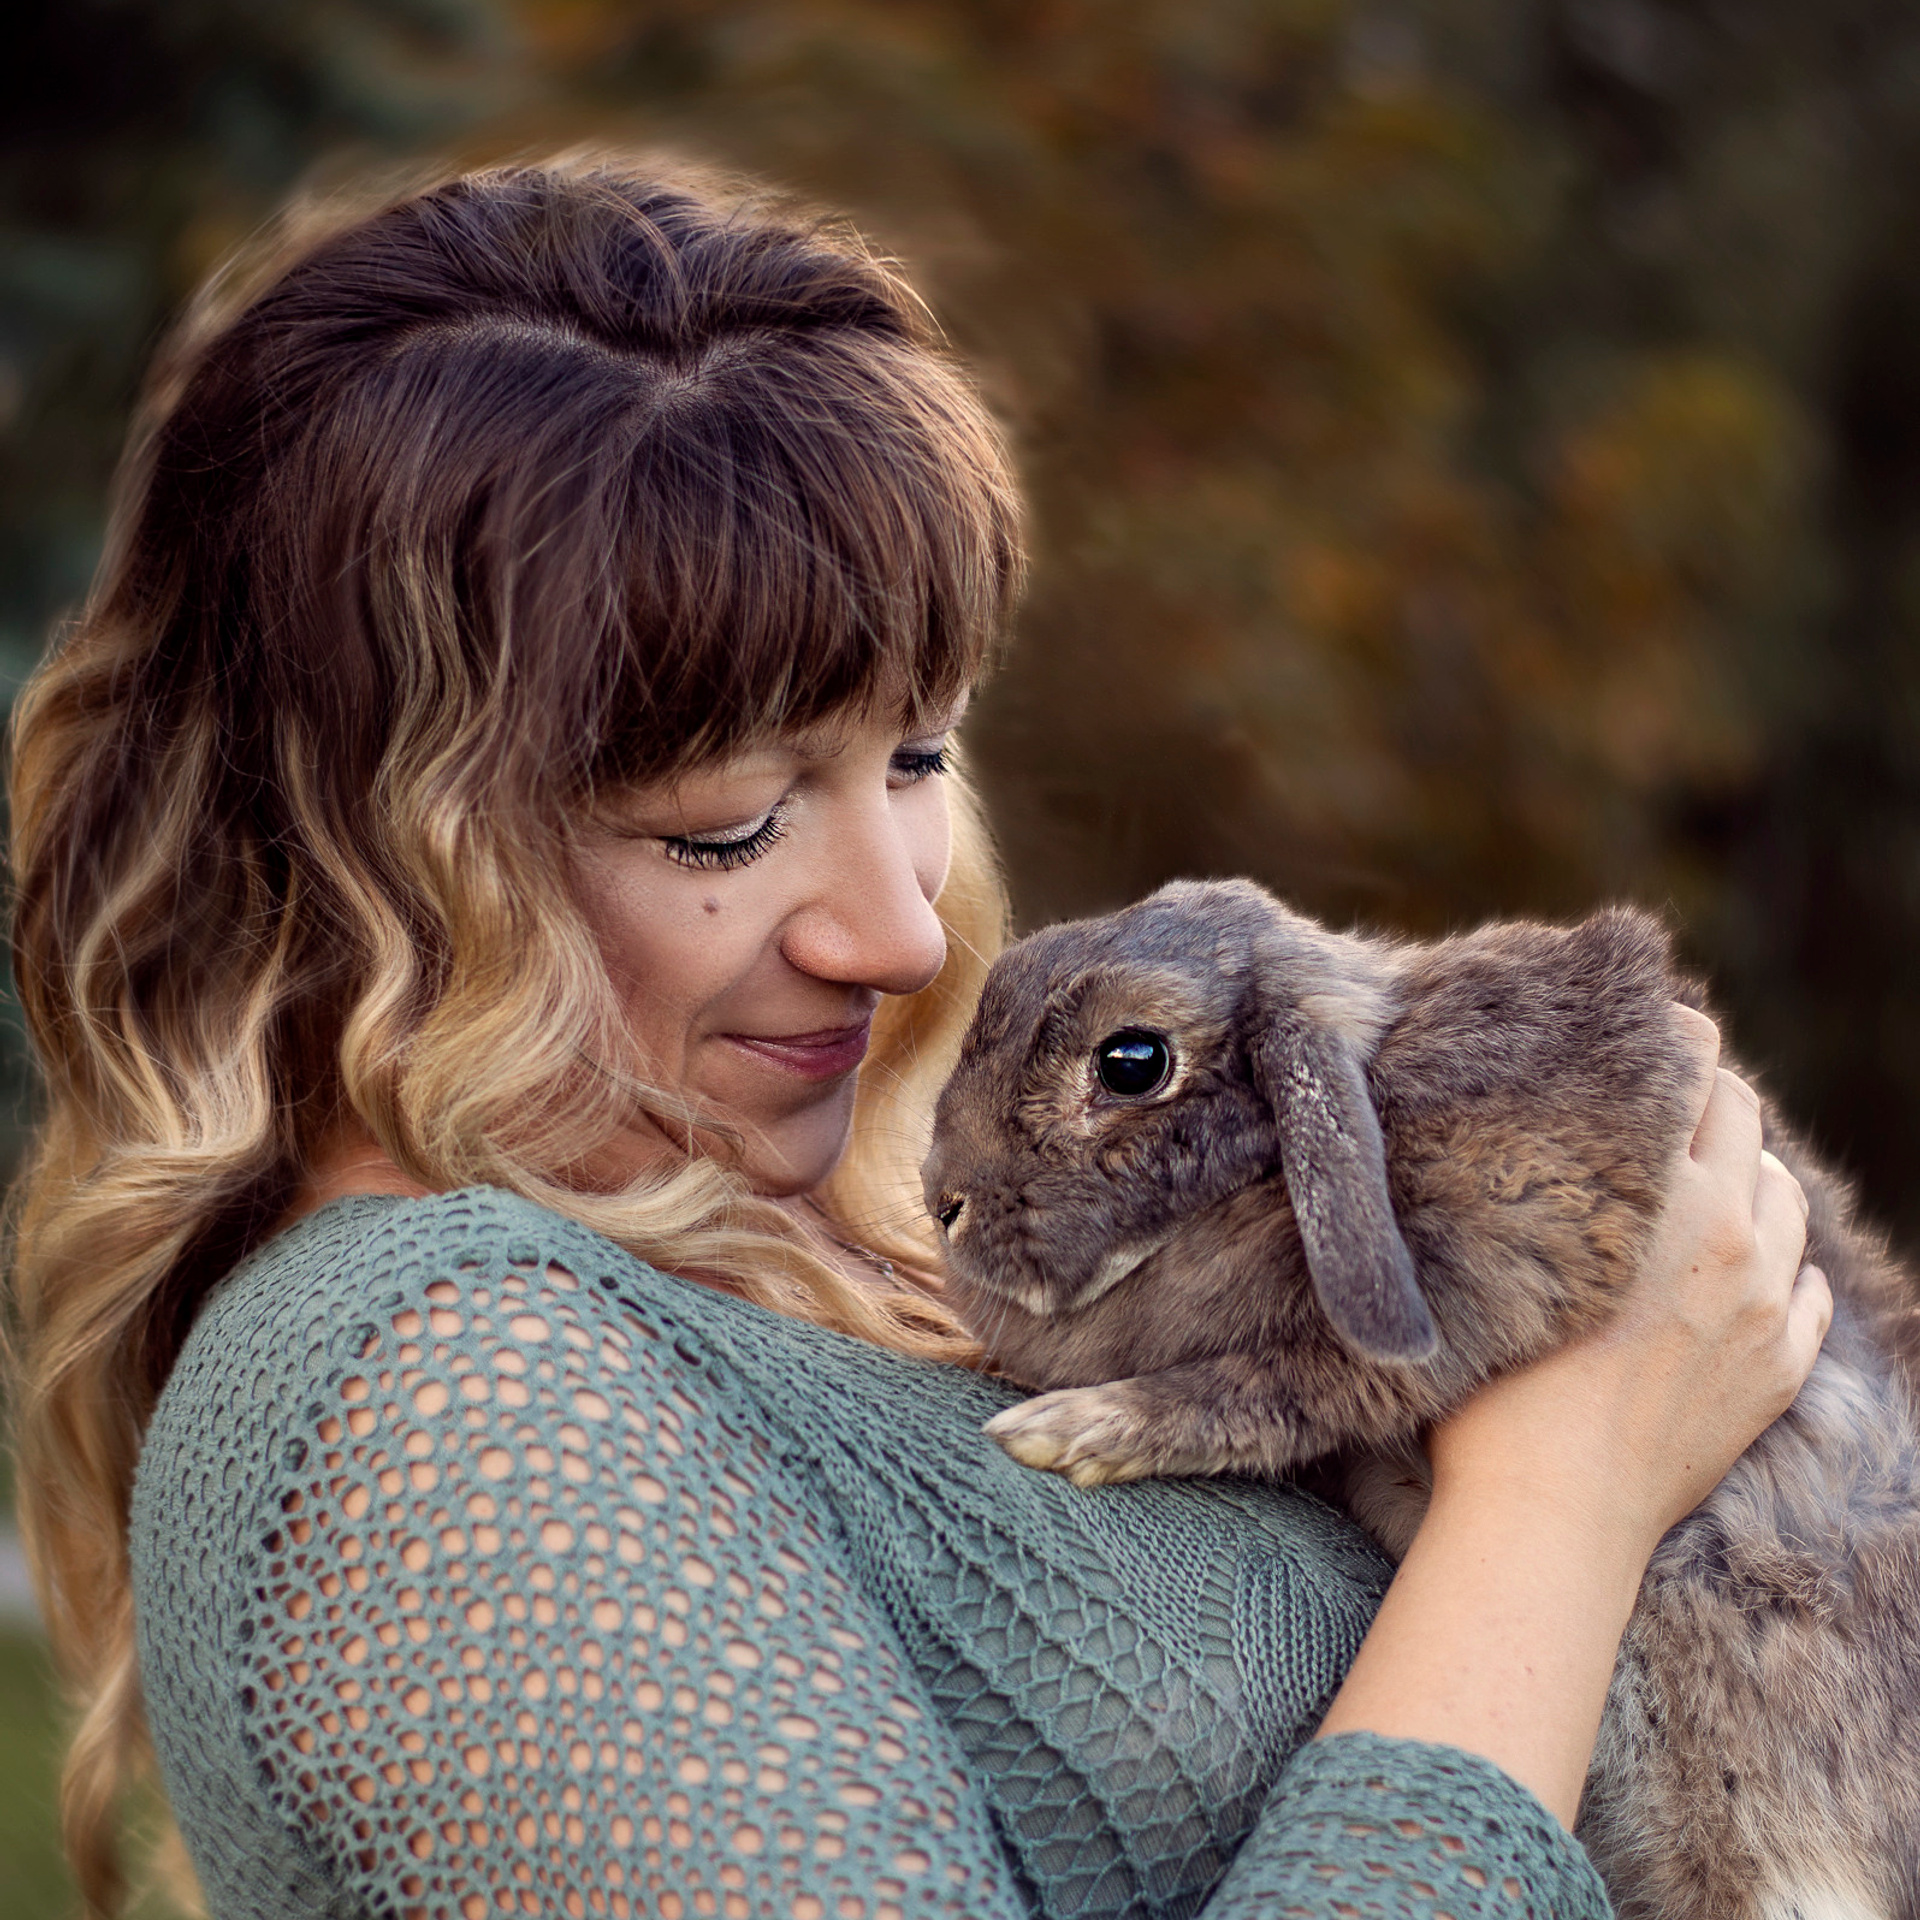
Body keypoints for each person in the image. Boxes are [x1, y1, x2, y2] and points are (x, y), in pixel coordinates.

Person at [3, 151, 1825, 1920]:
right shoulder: (423, 1390)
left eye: (916, 755)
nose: (897, 931)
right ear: (358, 856)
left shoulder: (777, 1251)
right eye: (724, 823)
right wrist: (1560, 1504)